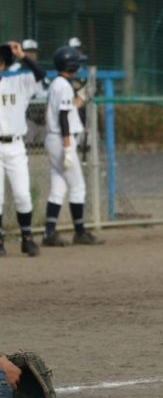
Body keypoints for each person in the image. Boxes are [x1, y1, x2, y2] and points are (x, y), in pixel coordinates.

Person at [42, 45, 104, 247]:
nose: (78, 66)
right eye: (75, 63)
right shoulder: (64, 86)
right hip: (62, 140)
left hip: (54, 140)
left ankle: (49, 233)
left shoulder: (58, 84)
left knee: (58, 187)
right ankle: (80, 232)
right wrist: (68, 148)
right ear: (69, 65)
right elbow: (63, 118)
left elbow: (70, 108)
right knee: (78, 186)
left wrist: (82, 94)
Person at [0, 41, 44, 257]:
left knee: (23, 195)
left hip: (16, 146)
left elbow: (40, 74)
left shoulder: (17, 83)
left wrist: (22, 55)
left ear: (2, 65)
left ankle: (27, 239)